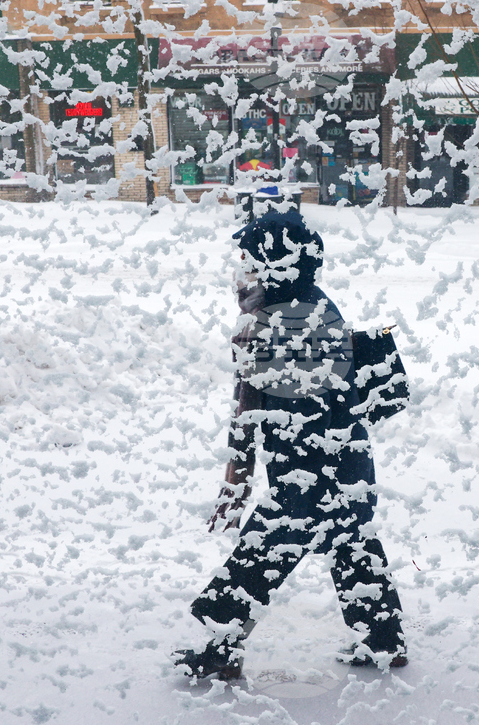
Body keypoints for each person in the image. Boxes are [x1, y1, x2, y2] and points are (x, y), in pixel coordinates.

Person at [174, 209, 407, 680]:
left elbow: (246, 416)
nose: (241, 273)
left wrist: (235, 484)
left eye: (249, 262)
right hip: (348, 462)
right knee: (351, 540)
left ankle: (221, 647)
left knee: (260, 552)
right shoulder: (321, 306)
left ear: (271, 266)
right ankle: (384, 643)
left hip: (301, 474)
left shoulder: (262, 328)